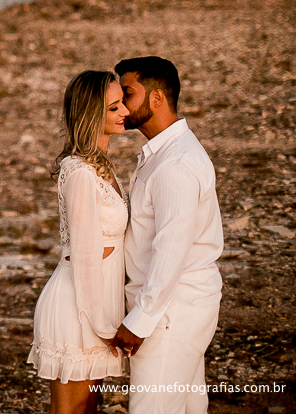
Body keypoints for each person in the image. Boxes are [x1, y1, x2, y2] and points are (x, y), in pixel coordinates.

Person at [109, 57, 223, 414]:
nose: (121, 104)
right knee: (189, 408)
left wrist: (140, 320)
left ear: (156, 99)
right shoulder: (165, 153)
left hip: (171, 313)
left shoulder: (175, 163)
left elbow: (171, 249)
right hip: (179, 306)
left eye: (128, 93)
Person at [28, 70, 130, 414]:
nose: (125, 113)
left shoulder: (101, 167)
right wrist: (102, 324)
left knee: (88, 408)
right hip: (78, 311)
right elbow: (85, 256)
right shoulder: (79, 172)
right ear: (91, 114)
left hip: (99, 307)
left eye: (123, 104)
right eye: (114, 108)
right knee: (70, 411)